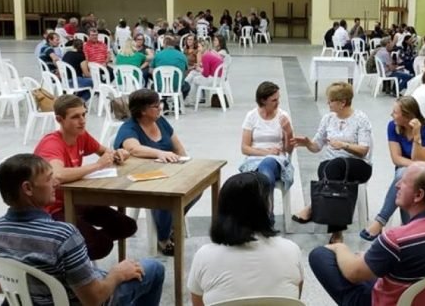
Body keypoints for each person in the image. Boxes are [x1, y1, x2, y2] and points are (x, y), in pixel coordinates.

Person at [0, 154, 164, 305]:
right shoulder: (63, 236)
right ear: (28, 189)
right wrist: (117, 274)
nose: (56, 183)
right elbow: (94, 299)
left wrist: (35, 287)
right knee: (154, 269)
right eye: (49, 179)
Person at [310, 162, 425, 306]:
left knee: (319, 255)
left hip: (393, 302)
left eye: (403, 182)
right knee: (372, 263)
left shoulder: (396, 238)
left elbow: (353, 273)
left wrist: (339, 247)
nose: (397, 185)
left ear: (418, 195)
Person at [34, 95, 136, 260]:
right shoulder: (52, 144)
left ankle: (75, 250)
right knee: (100, 246)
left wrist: (117, 154)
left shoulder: (81, 135)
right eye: (75, 117)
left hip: (76, 199)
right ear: (59, 119)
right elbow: (57, 175)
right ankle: (72, 254)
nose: (82, 121)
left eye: (84, 114)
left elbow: (105, 152)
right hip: (52, 208)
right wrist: (97, 165)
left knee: (127, 226)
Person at [187, 172, 302, 305]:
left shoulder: (204, 255)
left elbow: (198, 302)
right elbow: (295, 299)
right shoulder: (290, 250)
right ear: (267, 208)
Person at [113, 89, 195, 256]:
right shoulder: (129, 127)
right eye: (156, 106)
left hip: (168, 172)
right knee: (166, 195)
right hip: (142, 177)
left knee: (195, 187)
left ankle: (172, 224)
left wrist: (186, 164)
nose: (160, 108)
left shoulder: (161, 121)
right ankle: (164, 238)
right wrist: (159, 153)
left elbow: (178, 146)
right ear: (142, 110)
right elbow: (133, 148)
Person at [290, 82, 373, 243]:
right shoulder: (328, 119)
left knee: (334, 166)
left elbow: (364, 150)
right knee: (326, 168)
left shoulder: (360, 119)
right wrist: (307, 142)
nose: (328, 104)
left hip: (358, 165)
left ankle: (314, 206)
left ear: (342, 102)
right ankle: (337, 233)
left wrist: (344, 145)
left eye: (330, 101)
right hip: (331, 166)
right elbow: (317, 147)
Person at [360, 97, 425, 241]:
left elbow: (421, 161)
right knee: (404, 176)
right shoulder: (393, 126)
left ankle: (381, 220)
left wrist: (417, 137)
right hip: (408, 173)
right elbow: (396, 158)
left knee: (402, 174)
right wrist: (412, 167)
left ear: (407, 116)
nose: (391, 115)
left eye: (395, 112)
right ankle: (408, 228)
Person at [238, 81, 295, 225]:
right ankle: (267, 214)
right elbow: (245, 147)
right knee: (263, 170)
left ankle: (266, 215)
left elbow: (288, 150)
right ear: (263, 100)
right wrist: (265, 151)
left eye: (278, 99)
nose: (278, 103)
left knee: (267, 164)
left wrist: (288, 132)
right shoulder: (251, 116)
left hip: (277, 160)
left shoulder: (283, 116)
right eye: (274, 100)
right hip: (254, 159)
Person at [152, 35, 191, 103]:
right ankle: (178, 103)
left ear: (164, 44)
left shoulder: (158, 55)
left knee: (153, 86)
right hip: (177, 86)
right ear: (174, 45)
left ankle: (164, 104)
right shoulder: (182, 55)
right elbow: (186, 71)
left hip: (161, 86)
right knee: (187, 86)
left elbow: (152, 70)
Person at [185, 42, 225, 106]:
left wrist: (199, 69)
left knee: (195, 79)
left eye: (199, 47)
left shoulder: (205, 56)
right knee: (194, 74)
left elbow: (205, 74)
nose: (198, 49)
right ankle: (199, 99)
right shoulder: (212, 53)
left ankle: (190, 99)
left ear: (203, 47)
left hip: (213, 79)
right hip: (219, 78)